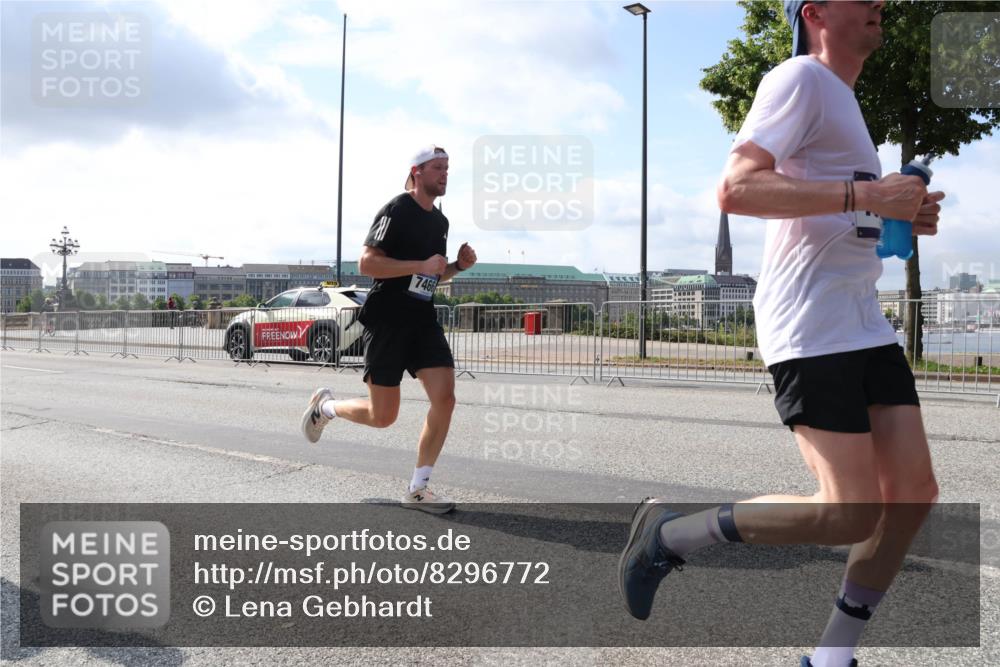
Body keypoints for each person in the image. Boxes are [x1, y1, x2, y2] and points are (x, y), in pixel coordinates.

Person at [618, 3, 945, 666]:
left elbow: (843, 216)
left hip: (862, 319)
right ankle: (672, 533)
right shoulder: (799, 78)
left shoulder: (848, 104)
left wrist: (900, 210)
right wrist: (865, 198)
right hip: (810, 325)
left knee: (912, 493)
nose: (879, 3)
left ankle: (831, 655)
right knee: (848, 513)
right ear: (817, 12)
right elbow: (736, 188)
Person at [300, 145, 477, 514]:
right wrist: (421, 263)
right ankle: (327, 407)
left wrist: (456, 267)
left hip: (422, 319)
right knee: (384, 416)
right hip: (388, 319)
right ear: (417, 172)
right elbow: (367, 263)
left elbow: (430, 274)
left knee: (445, 398)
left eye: (448, 168)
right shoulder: (396, 209)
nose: (445, 174)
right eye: (437, 168)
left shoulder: (440, 222)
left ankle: (418, 489)